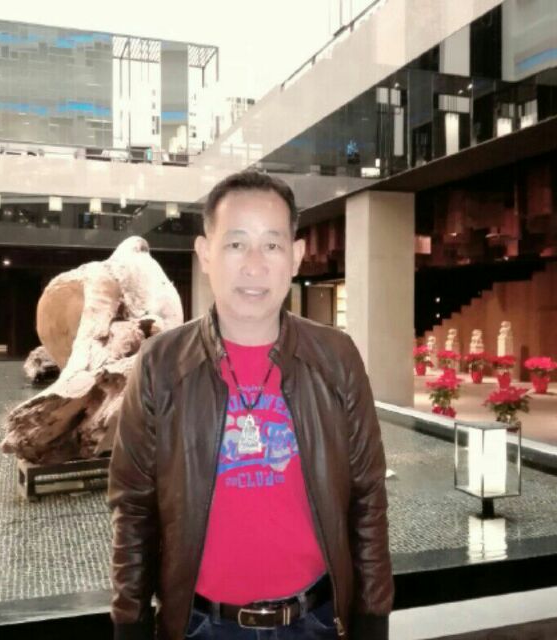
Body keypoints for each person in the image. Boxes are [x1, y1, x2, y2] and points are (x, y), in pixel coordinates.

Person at [108, 170, 393, 640]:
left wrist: (373, 618)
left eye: (272, 245)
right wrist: (130, 623)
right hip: (201, 626)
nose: (254, 265)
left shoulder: (336, 358)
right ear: (205, 254)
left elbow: (368, 498)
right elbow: (133, 508)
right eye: (237, 244)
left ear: (296, 256)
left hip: (316, 621)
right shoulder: (161, 364)